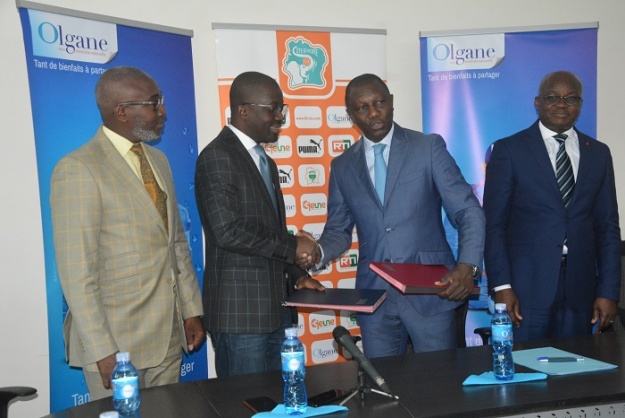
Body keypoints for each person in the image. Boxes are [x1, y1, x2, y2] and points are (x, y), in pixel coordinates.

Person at [50, 66, 205, 399]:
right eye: (154, 102)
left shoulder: (159, 160)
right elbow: (77, 273)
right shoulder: (79, 168)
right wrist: (101, 349)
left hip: (169, 336)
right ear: (121, 111)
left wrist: (191, 309)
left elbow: (176, 242)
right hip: (117, 345)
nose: (163, 111)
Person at [308, 73, 485, 358]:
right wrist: (317, 253)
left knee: (437, 379)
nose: (373, 113)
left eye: (379, 103)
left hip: (431, 292)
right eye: (362, 107)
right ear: (351, 115)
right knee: (382, 382)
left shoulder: (427, 147)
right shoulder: (342, 166)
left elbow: (468, 210)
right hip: (375, 298)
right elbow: (338, 231)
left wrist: (468, 266)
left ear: (391, 102)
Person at [194, 71, 324, 378]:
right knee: (246, 400)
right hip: (241, 318)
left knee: (281, 398)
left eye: (282, 108)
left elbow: (270, 233)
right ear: (243, 110)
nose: (280, 116)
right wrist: (294, 246)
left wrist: (297, 275)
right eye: (273, 108)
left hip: (277, 312)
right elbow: (228, 231)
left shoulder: (265, 160)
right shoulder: (217, 156)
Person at [483, 70, 621, 342]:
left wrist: (609, 291)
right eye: (552, 97)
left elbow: (608, 228)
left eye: (571, 98)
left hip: (581, 290)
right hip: (524, 290)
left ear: (580, 104)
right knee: (526, 366)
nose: (562, 104)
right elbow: (494, 225)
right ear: (538, 102)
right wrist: (501, 285)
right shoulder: (509, 150)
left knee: (578, 366)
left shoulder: (598, 153)